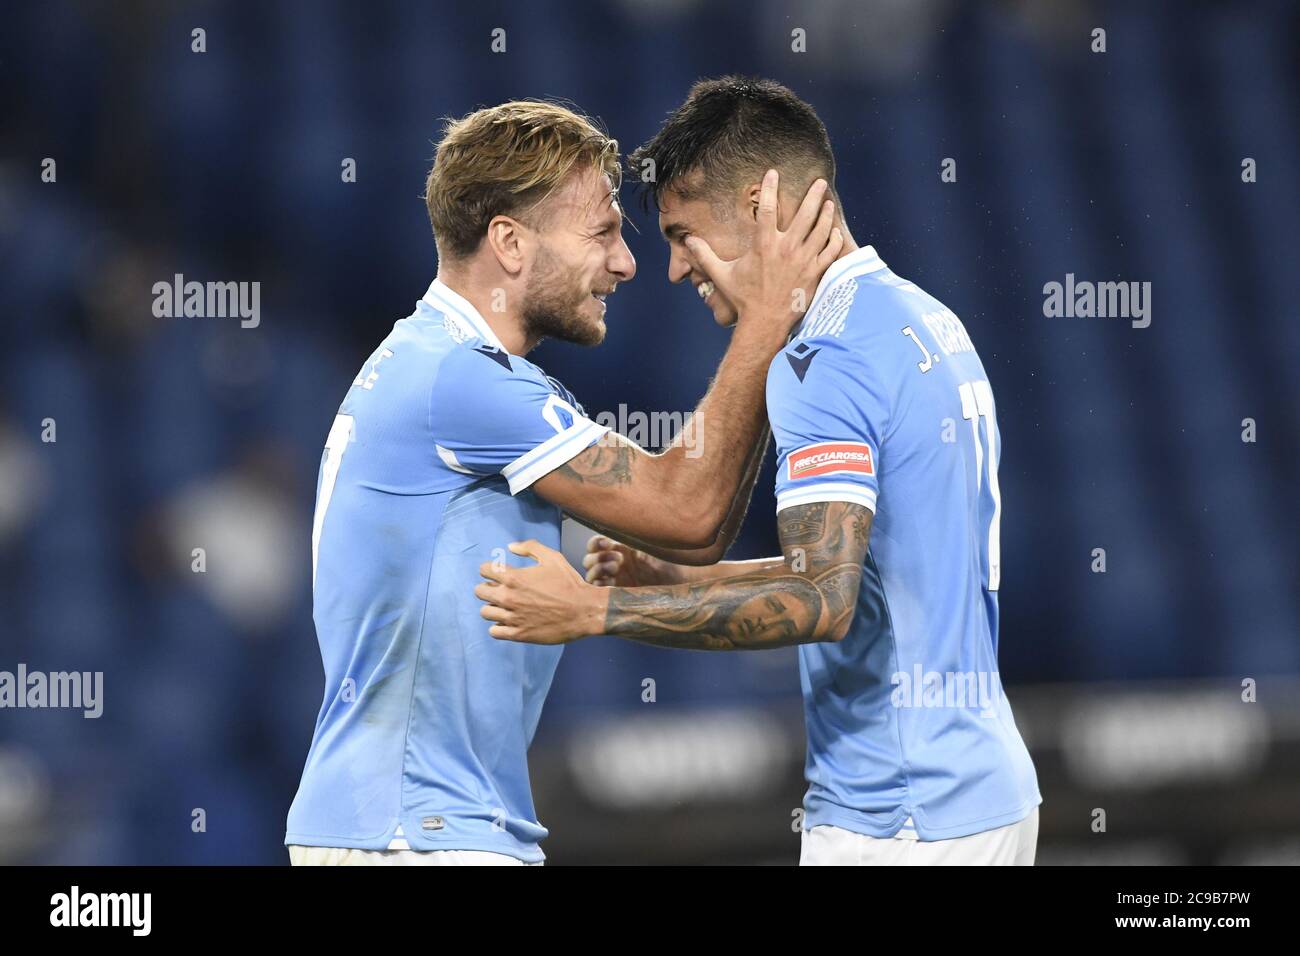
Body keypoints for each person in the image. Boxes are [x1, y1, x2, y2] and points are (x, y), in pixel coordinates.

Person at [475, 77, 1042, 866]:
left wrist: (592, 609)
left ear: (758, 207)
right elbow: (867, 576)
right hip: (983, 789)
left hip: (900, 816)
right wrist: (670, 579)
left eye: (682, 234)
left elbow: (821, 600)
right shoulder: (923, 316)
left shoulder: (822, 359)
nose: (673, 268)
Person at [285, 98, 841, 865]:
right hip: (415, 832)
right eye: (603, 233)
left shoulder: (455, 370)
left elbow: (697, 525)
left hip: (417, 825)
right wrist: (767, 319)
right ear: (510, 242)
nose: (626, 263)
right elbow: (686, 507)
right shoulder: (460, 381)